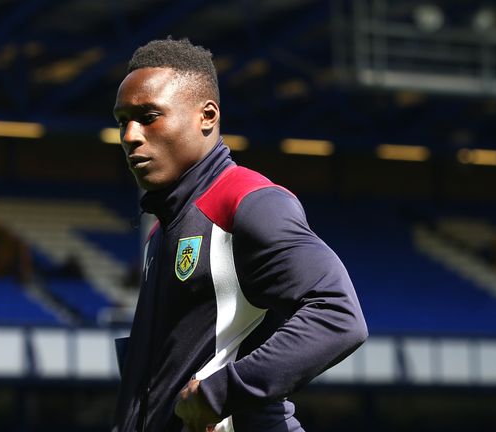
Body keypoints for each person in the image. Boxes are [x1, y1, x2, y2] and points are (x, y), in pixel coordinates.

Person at [111, 37, 367, 432]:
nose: (129, 135)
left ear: (207, 116)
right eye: (122, 121)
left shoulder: (247, 201)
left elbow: (337, 314)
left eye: (148, 117)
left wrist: (221, 393)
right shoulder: (160, 232)